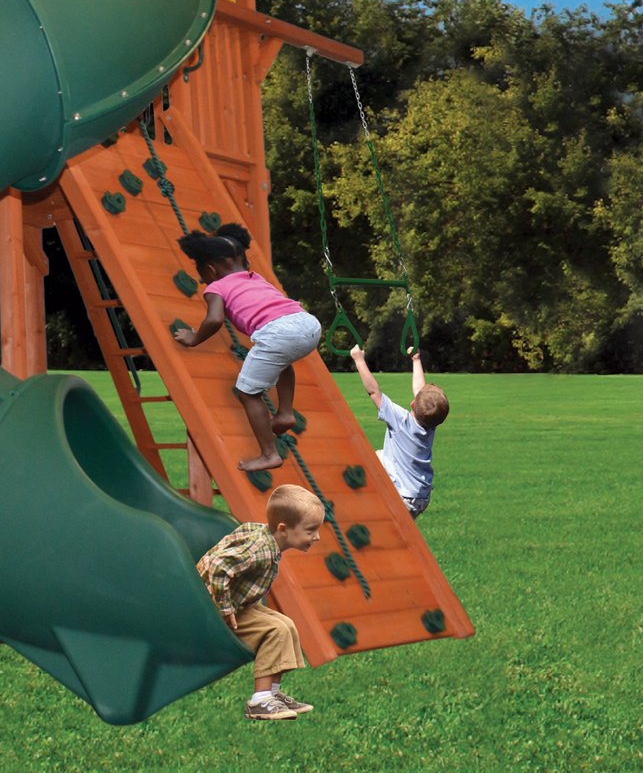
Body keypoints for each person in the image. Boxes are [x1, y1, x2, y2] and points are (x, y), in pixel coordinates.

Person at [170, 223, 320, 472]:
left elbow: (215, 319)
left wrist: (194, 338)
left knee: (247, 393)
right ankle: (284, 413)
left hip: (278, 332)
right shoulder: (255, 277)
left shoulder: (215, 287)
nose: (200, 279)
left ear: (210, 269)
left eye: (201, 273)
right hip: (307, 323)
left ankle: (269, 454)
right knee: (282, 360)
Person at [197, 484, 324, 721]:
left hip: (235, 603)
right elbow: (217, 566)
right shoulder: (262, 550)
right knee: (275, 630)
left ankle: (272, 696)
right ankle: (259, 701)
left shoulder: (262, 534)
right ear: (283, 529)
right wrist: (223, 609)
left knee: (285, 624)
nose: (316, 537)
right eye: (310, 530)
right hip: (210, 610)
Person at [348, 345, 448, 518]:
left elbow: (373, 392)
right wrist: (416, 360)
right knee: (379, 455)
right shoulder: (430, 424)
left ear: (412, 403)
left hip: (402, 496)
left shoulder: (401, 421)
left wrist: (359, 360)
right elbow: (420, 392)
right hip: (421, 495)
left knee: (385, 531)